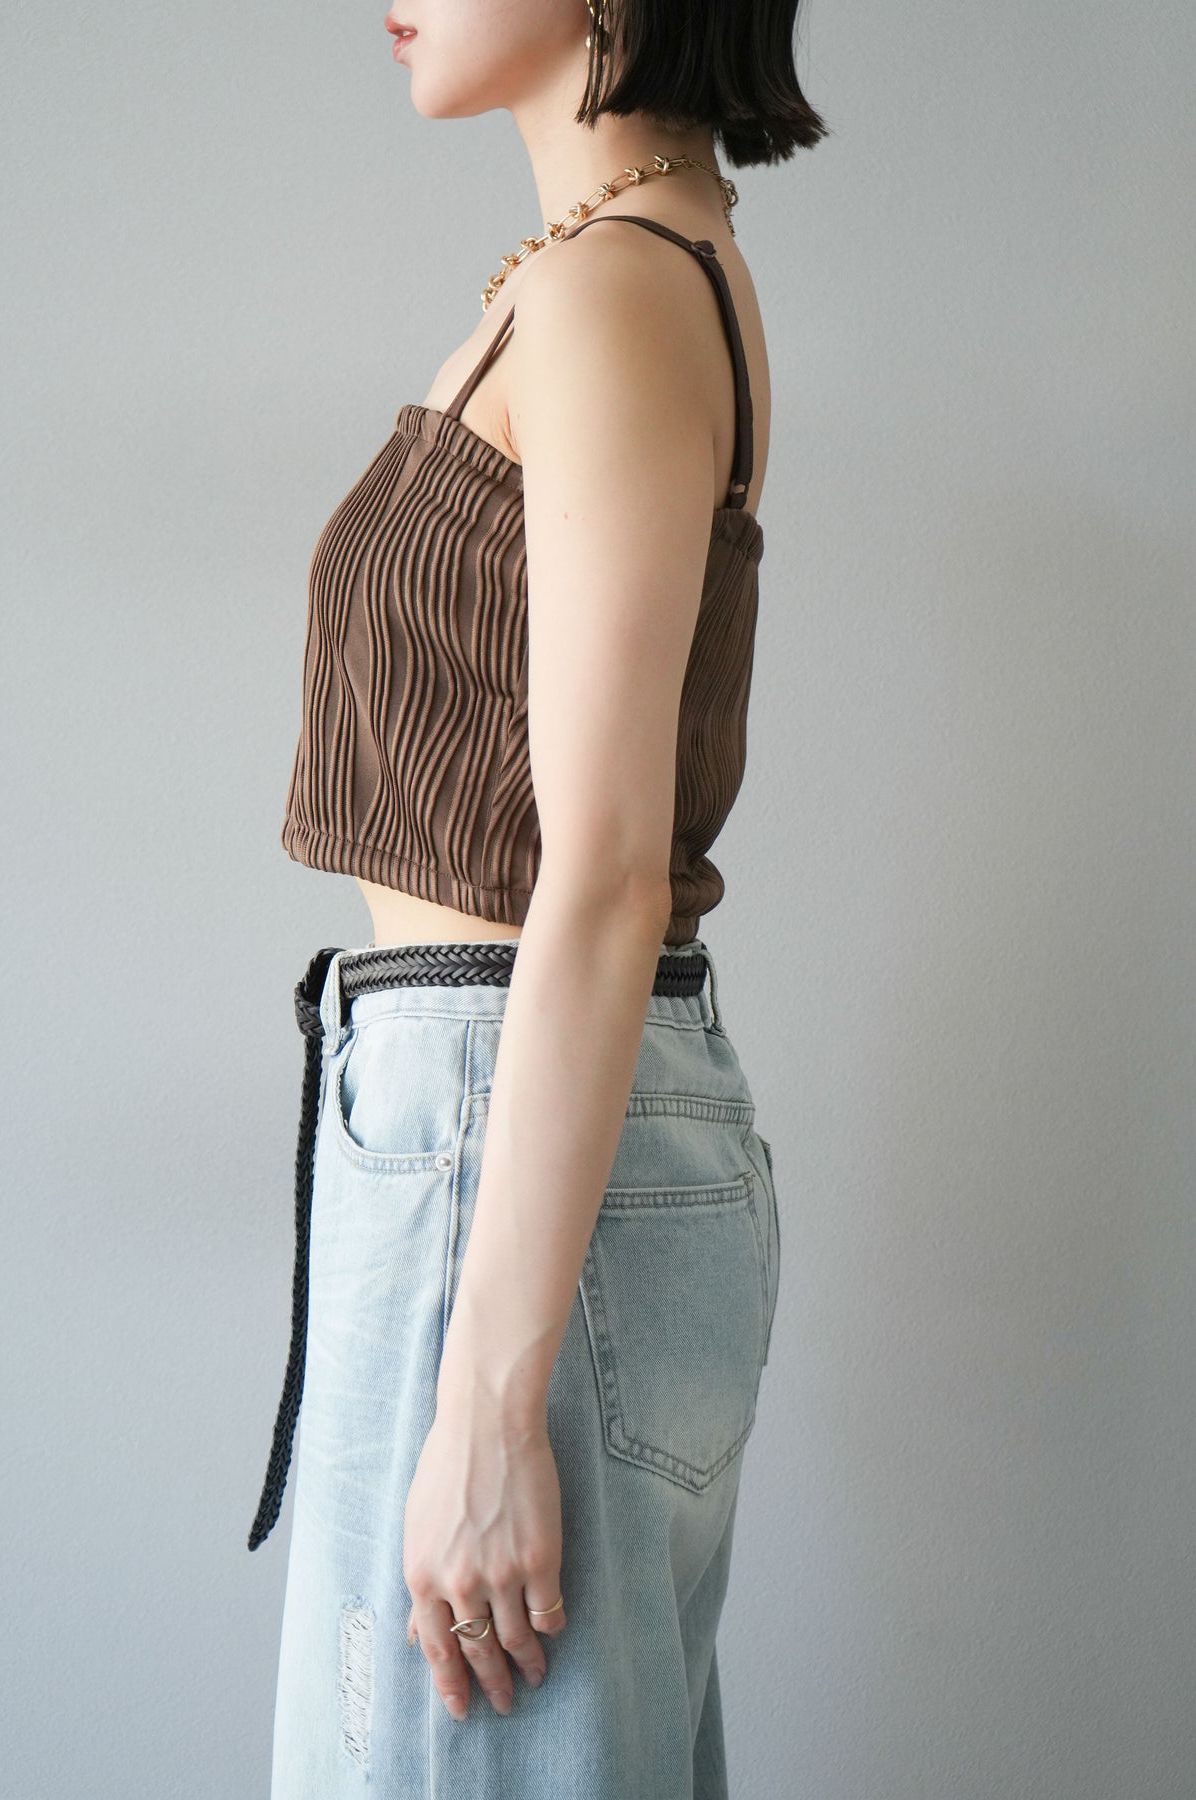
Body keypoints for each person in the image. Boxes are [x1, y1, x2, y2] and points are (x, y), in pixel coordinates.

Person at [250, 2, 826, 1793]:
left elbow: (605, 867)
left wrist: (494, 1401)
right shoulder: (617, 269)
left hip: (504, 1131)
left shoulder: (613, 292)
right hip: (500, 1121)